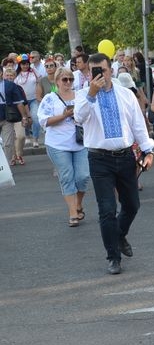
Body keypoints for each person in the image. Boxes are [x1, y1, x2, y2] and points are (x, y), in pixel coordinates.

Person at [74, 53, 154, 275]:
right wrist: (91, 94)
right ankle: (113, 256)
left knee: (132, 205)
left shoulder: (125, 94)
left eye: (101, 70)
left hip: (126, 156)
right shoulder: (83, 94)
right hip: (99, 158)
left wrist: (148, 150)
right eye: (93, 71)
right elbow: (79, 118)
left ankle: (119, 235)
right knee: (107, 209)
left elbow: (138, 124)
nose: (98, 75)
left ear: (110, 70)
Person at [38, 67, 90, 226]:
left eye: (71, 79)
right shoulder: (50, 98)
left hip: (80, 143)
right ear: (57, 81)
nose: (68, 82)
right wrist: (64, 115)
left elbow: (90, 115)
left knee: (83, 176)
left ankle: (78, 204)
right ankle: (73, 212)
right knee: (67, 176)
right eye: (64, 79)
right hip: (58, 144)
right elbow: (44, 121)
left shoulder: (81, 96)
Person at [1, 66, 30, 165]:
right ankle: (12, 157)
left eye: (11, 75)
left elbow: (23, 103)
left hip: (16, 116)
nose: (9, 77)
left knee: (20, 136)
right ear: (4, 75)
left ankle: (18, 155)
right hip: (6, 116)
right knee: (9, 140)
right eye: (7, 75)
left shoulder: (17, 88)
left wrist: (26, 116)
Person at [14, 56, 39, 156]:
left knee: (35, 118)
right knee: (25, 119)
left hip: (33, 99)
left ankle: (35, 138)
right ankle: (28, 136)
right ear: (19, 65)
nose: (25, 65)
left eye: (27, 63)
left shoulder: (33, 71)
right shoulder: (17, 75)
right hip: (22, 101)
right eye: (23, 64)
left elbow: (39, 80)